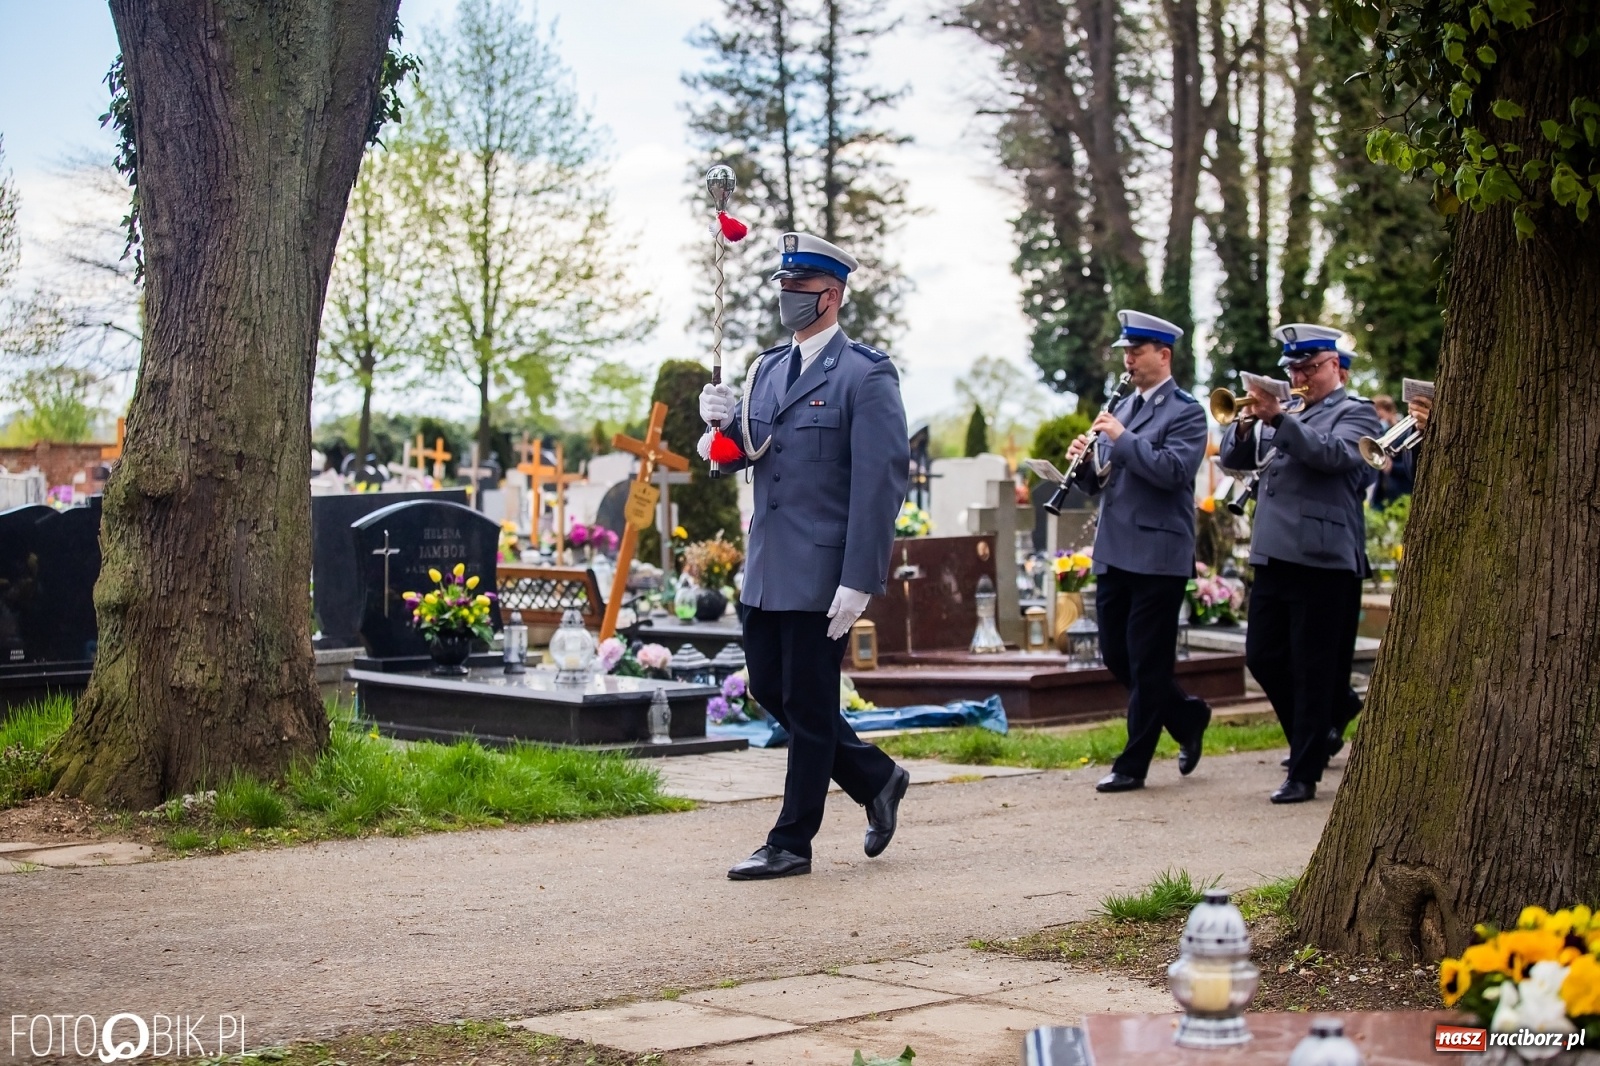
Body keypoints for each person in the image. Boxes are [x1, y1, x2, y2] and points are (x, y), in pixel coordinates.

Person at [697, 232, 911, 881]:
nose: (788, 298)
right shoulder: (764, 368)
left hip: (823, 572)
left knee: (811, 704)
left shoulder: (865, 374)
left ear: (832, 295)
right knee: (768, 687)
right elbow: (749, 454)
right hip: (767, 566)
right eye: (784, 287)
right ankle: (876, 776)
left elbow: (881, 483)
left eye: (801, 289)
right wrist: (718, 427)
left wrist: (860, 578)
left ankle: (791, 841)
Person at [1220, 324, 1382, 804]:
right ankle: (1331, 717)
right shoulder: (1285, 412)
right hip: (1274, 551)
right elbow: (1235, 459)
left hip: (1323, 556)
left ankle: (1305, 770)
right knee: (1263, 656)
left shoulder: (1358, 413)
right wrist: (1245, 424)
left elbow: (1333, 456)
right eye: (1293, 369)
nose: (1301, 376)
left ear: (1334, 365)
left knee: (1312, 667)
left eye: (1309, 367)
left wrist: (1280, 421)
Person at [1064, 310, 1212, 794]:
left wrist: (1121, 440)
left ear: (1163, 355)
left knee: (1148, 662)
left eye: (1137, 351)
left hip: (1158, 553)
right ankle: (1187, 715)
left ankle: (1133, 763)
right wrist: (1082, 464)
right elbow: (1104, 481)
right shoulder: (1122, 408)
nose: (1128, 359)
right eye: (1125, 351)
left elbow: (1172, 472)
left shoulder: (1186, 411)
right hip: (1115, 548)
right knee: (1116, 656)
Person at [1369, 394, 1414, 507]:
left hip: (1401, 495)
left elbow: (1413, 466)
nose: (1378, 420)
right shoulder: (1381, 434)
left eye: (1380, 417)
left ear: (1389, 411)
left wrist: (1392, 467)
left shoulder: (1406, 433)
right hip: (1381, 497)